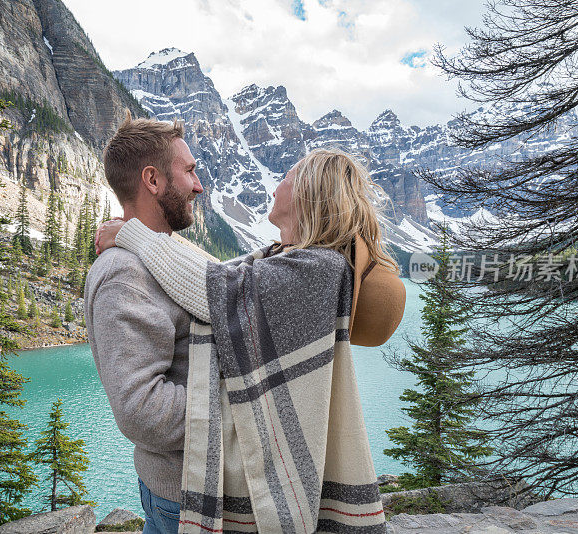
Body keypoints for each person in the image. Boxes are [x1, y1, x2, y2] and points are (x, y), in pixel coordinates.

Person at [96, 147, 400, 533]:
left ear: (308, 192)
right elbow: (224, 273)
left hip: (207, 493)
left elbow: (215, 290)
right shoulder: (285, 259)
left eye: (288, 175)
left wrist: (132, 234)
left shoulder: (316, 269)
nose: (276, 185)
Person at [83, 111, 203, 534]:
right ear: (153, 180)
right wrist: (244, 402)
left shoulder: (161, 253)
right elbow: (141, 411)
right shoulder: (125, 275)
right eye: (189, 171)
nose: (198, 185)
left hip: (195, 489)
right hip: (184, 498)